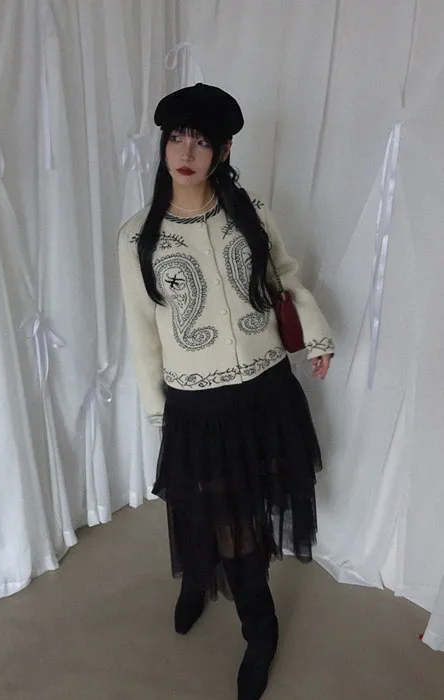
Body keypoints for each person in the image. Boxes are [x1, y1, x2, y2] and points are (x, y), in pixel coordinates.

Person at [118, 83, 334, 700]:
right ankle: (202, 581)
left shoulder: (250, 210)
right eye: (176, 138)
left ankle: (259, 630)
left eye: (201, 141)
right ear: (163, 145)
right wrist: (158, 410)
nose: (186, 153)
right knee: (207, 509)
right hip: (198, 403)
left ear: (224, 150)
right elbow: (141, 329)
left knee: (248, 507)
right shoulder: (137, 237)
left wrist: (316, 334)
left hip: (266, 389)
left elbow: (283, 275)